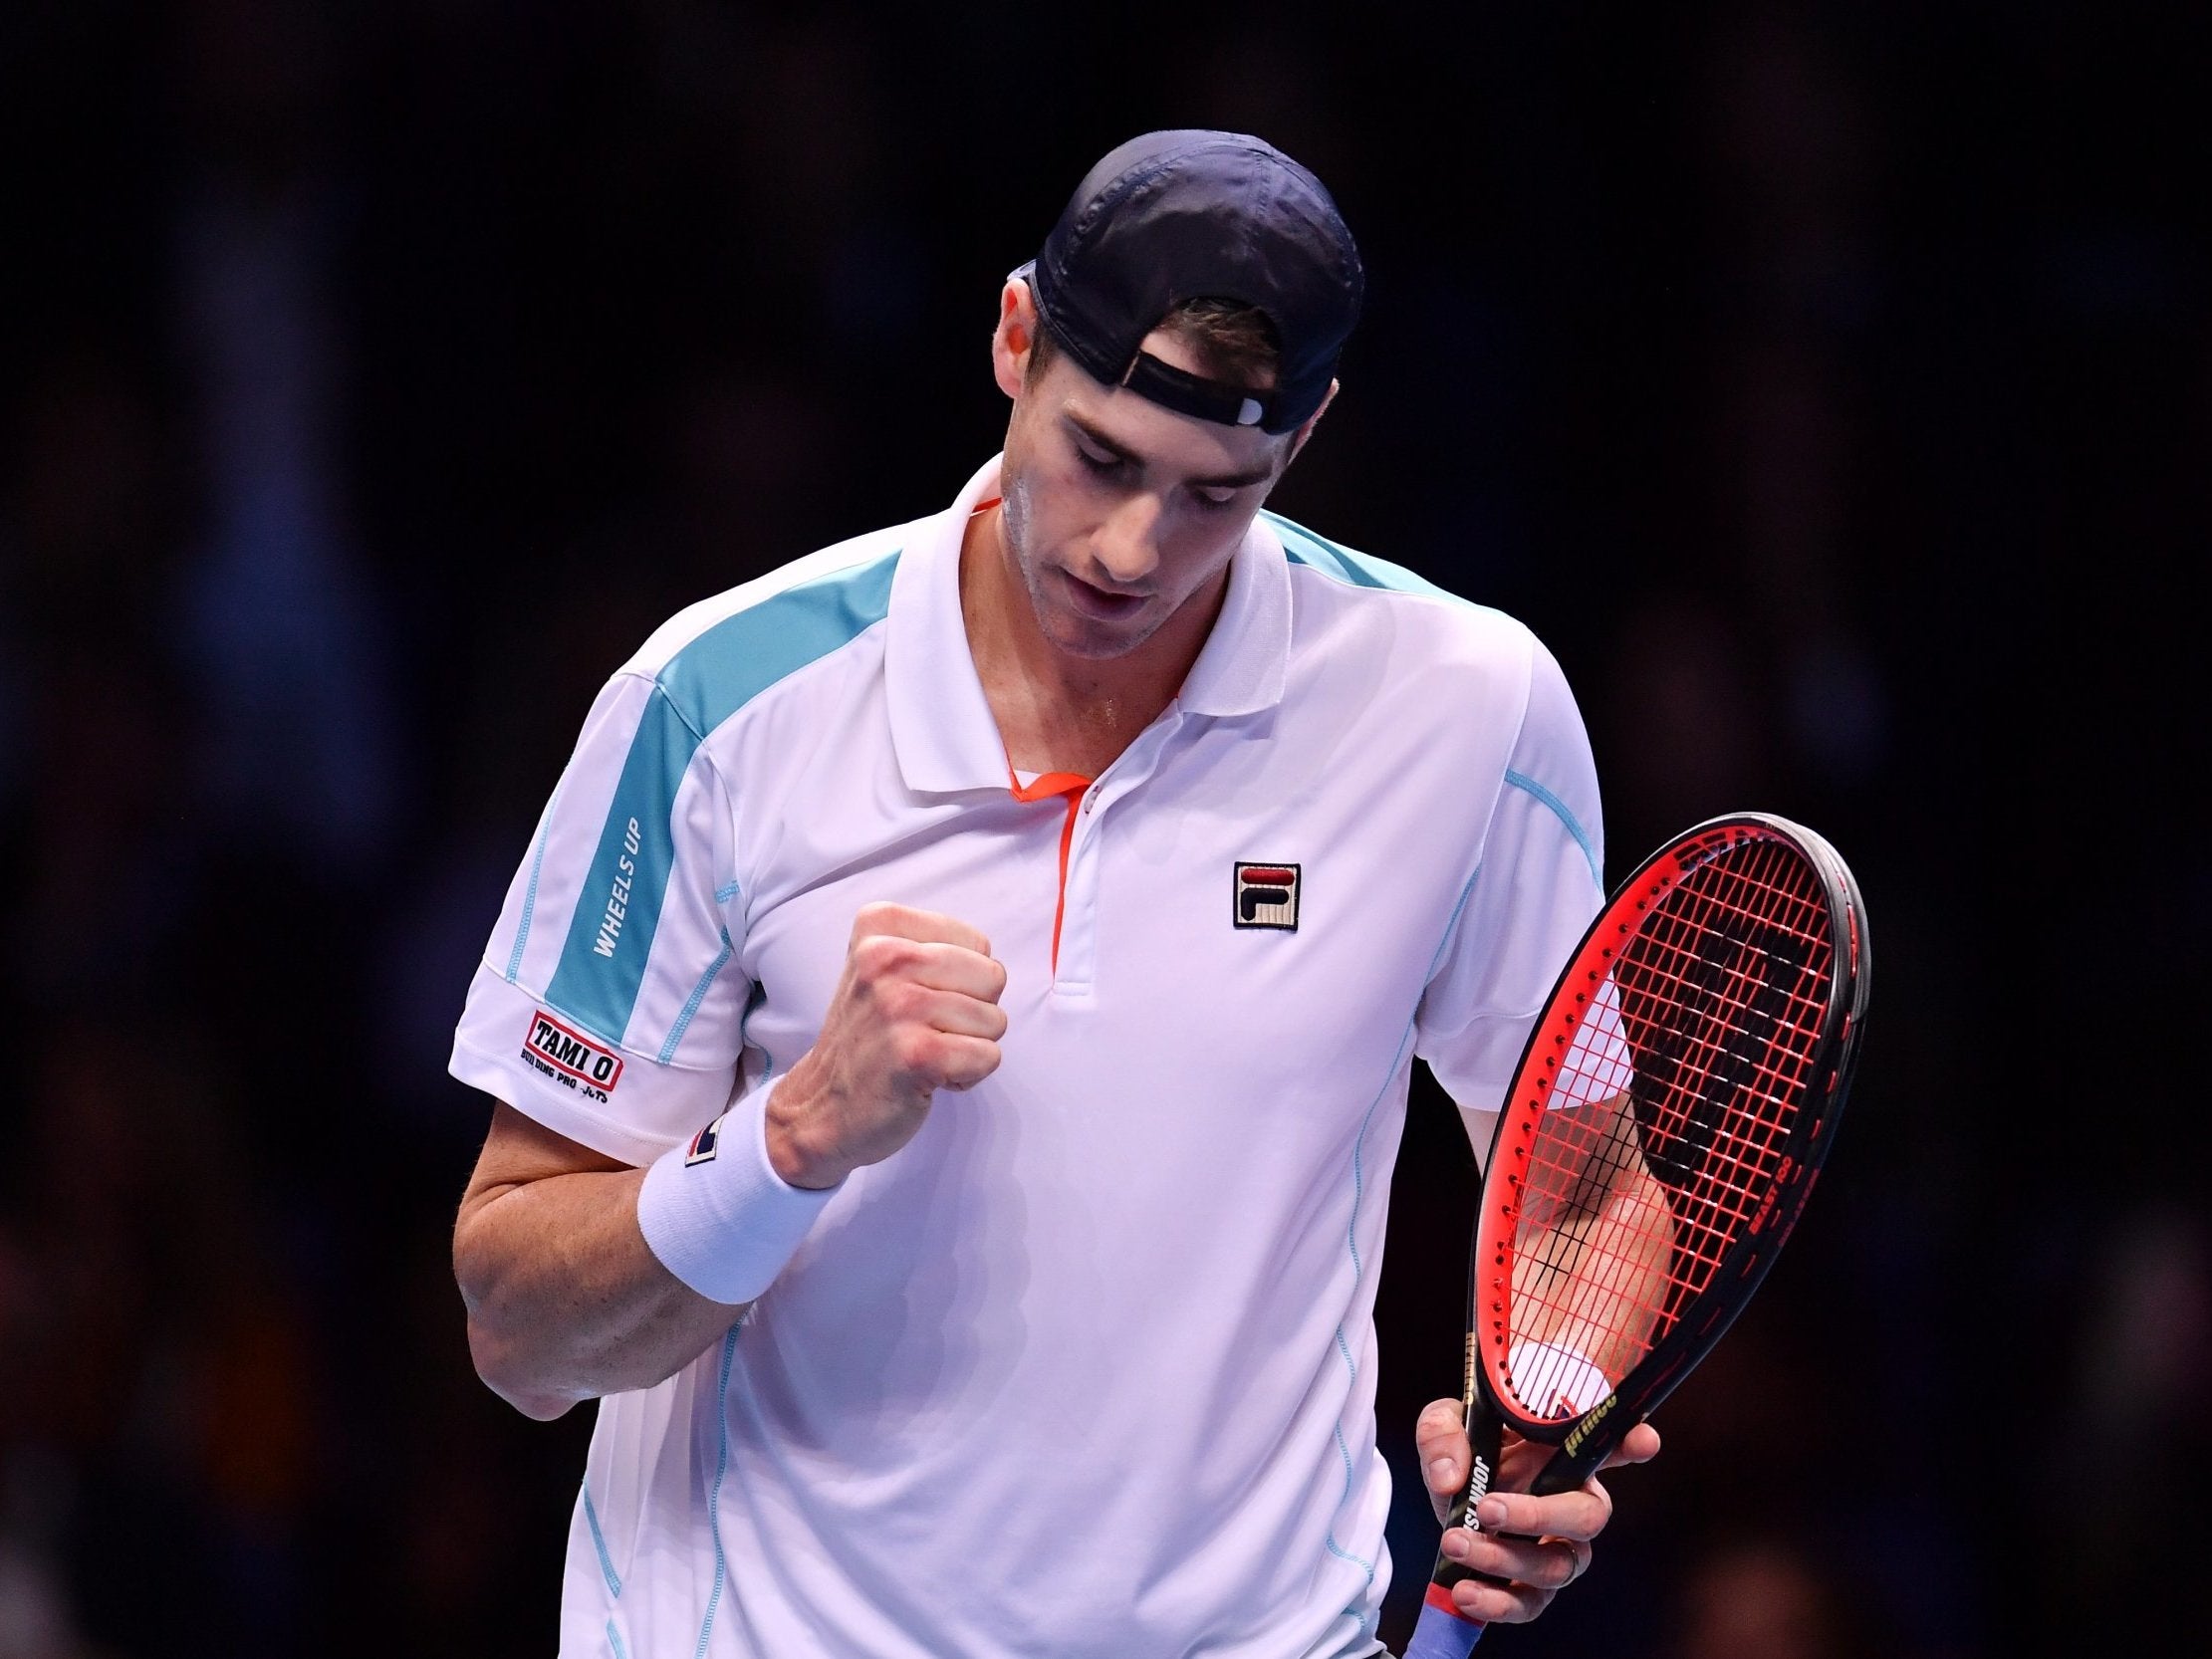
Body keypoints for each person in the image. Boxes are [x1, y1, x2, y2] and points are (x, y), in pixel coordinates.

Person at [449, 128, 1660, 1659]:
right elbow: (518, 1330)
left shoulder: (1465, 710)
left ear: (1309, 434)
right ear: (1015, 338)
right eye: (1099, 457)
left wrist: (1540, 1413)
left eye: (1215, 493)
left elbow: (1586, 1185)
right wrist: (788, 1140)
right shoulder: (715, 704)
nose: (1133, 548)